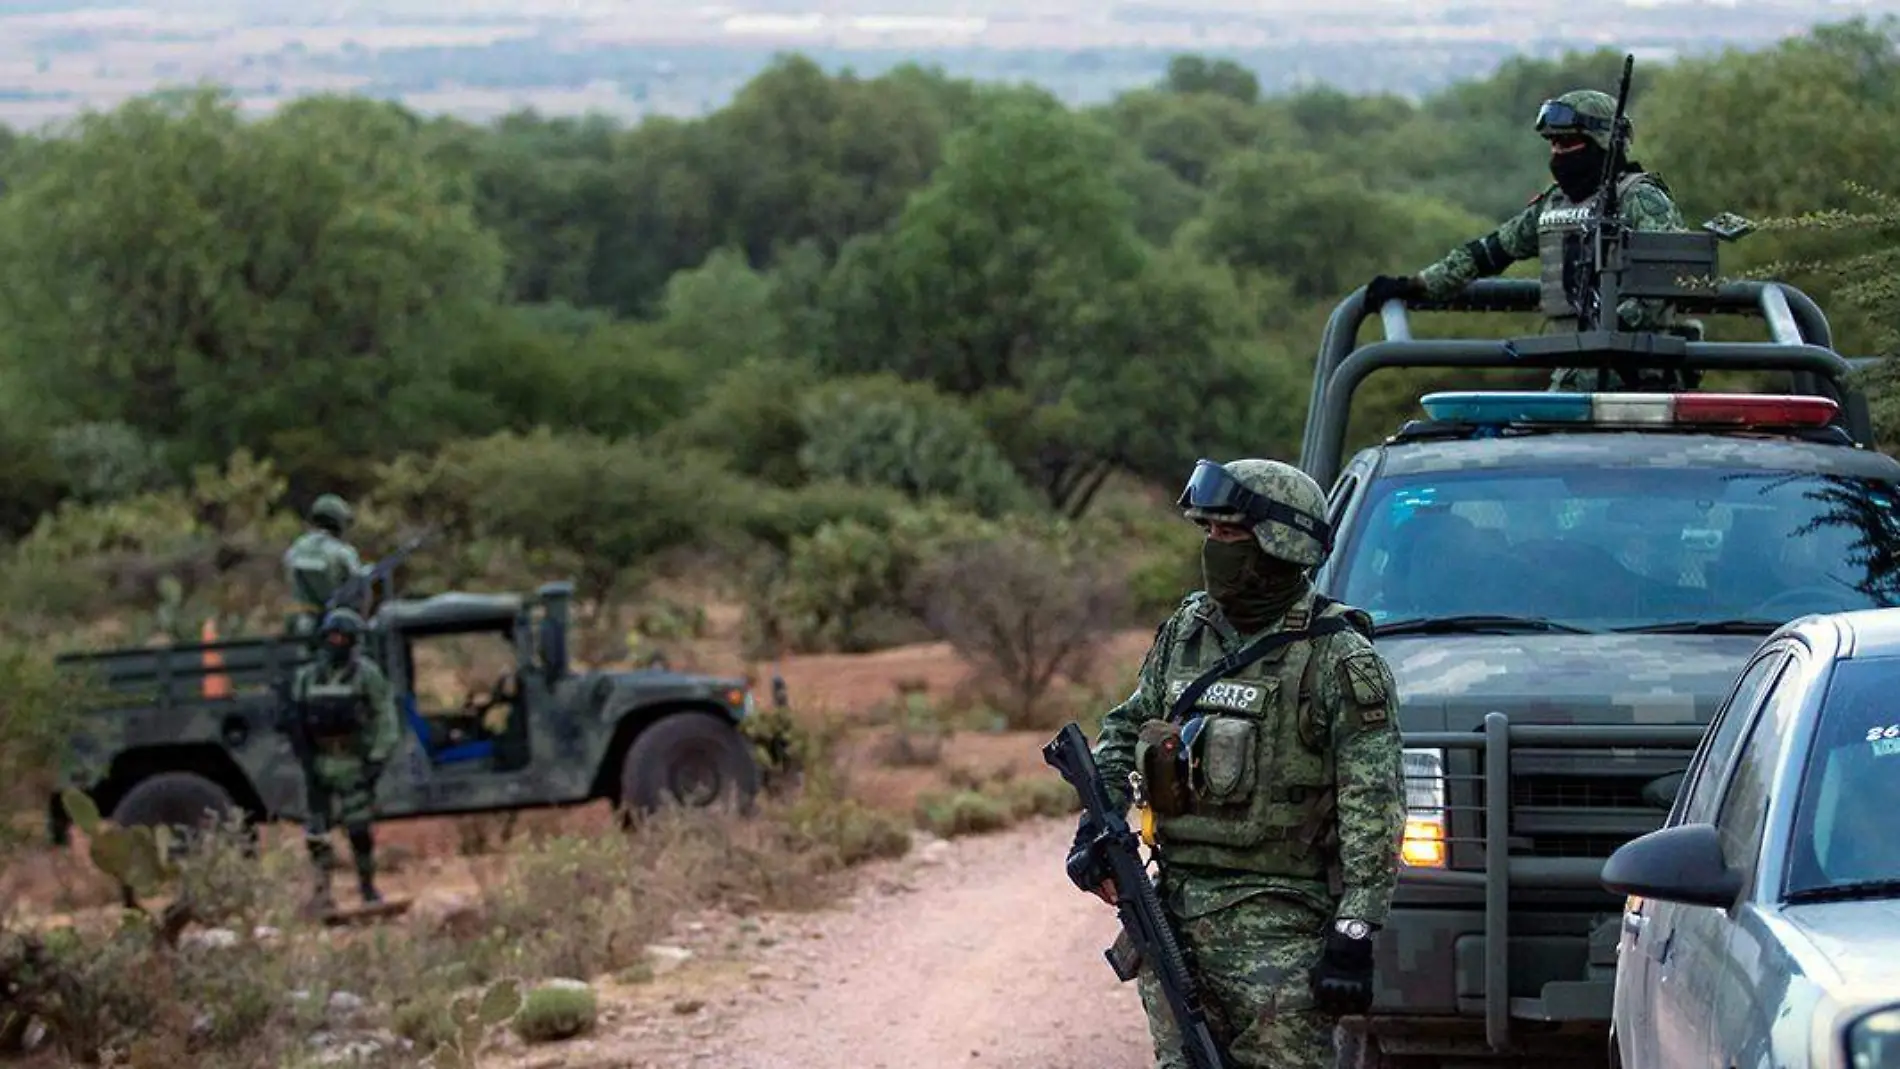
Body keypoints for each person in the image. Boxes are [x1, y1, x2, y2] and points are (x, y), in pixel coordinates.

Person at [1066, 458, 1406, 1068]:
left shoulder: (1337, 659)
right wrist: (1097, 823)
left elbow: (1374, 802)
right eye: (1209, 533)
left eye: (1230, 535)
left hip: (1283, 929)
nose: (1213, 548)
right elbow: (1126, 724)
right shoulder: (1186, 633)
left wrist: (1356, 927)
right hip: (1174, 918)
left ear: (1281, 546)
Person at [1363, 88, 1700, 391]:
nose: (1557, 153)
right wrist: (1417, 285)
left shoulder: (1639, 199)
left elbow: (1666, 276)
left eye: (1567, 143)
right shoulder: (1554, 204)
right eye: (1552, 143)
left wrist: (1615, 326)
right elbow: (1489, 252)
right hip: (1573, 372)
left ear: (1601, 142)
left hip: (1640, 377)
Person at [288, 607, 400, 916]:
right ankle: (323, 892)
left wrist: (377, 758)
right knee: (318, 834)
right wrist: (305, 759)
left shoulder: (366, 674)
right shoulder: (307, 677)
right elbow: (295, 720)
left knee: (359, 830)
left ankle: (367, 886)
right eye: (332, 637)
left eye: (342, 637)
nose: (336, 642)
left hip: (353, 763)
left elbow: (385, 716)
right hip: (320, 763)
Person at [283, 493, 370, 637]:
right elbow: (360, 589)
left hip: (298, 625)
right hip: (336, 628)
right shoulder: (343, 552)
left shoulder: (295, 549)